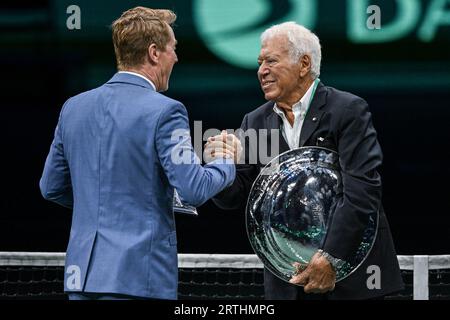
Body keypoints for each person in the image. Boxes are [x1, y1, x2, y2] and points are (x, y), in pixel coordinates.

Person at [39, 7, 241, 300]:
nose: (177, 57)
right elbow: (195, 188)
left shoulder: (73, 107)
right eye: (173, 48)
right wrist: (225, 160)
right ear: (154, 53)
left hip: (81, 279)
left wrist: (115, 203)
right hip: (138, 279)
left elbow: (51, 187)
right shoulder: (166, 111)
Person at [210, 22, 404, 299]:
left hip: (354, 279)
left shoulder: (348, 111)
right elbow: (235, 196)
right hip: (289, 284)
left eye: (271, 61)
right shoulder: (254, 121)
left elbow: (362, 192)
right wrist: (222, 166)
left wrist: (331, 258)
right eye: (260, 62)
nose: (261, 71)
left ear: (303, 64)